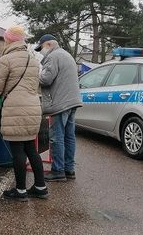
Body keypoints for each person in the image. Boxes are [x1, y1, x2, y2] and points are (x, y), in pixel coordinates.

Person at [0, 26, 49, 201]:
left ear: (9, 40)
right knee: (31, 149)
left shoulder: (6, 59)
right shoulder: (34, 60)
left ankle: (20, 190)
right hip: (34, 107)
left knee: (18, 150)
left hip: (15, 109)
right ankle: (40, 186)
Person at [35, 34, 83, 182]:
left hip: (60, 103)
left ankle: (57, 171)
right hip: (72, 101)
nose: (40, 51)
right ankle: (69, 169)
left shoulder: (53, 56)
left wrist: (35, 74)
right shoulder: (66, 54)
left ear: (48, 45)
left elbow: (46, 79)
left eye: (41, 48)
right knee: (69, 137)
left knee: (57, 138)